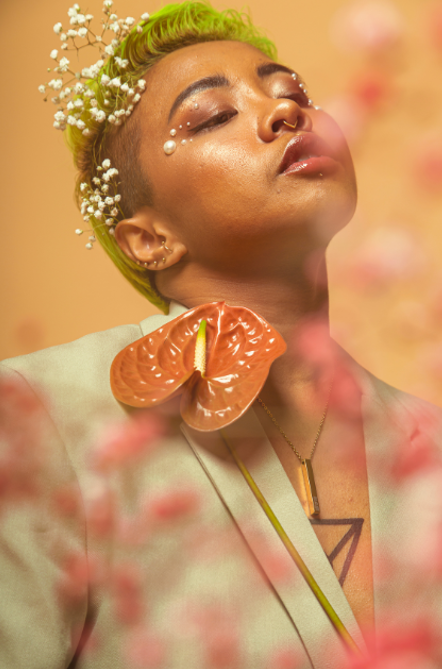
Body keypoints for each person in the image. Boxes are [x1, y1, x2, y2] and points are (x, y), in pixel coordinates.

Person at [1, 2, 442, 668]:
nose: (286, 112)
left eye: (294, 93)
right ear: (149, 237)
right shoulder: (41, 414)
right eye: (212, 116)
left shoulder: (428, 445)